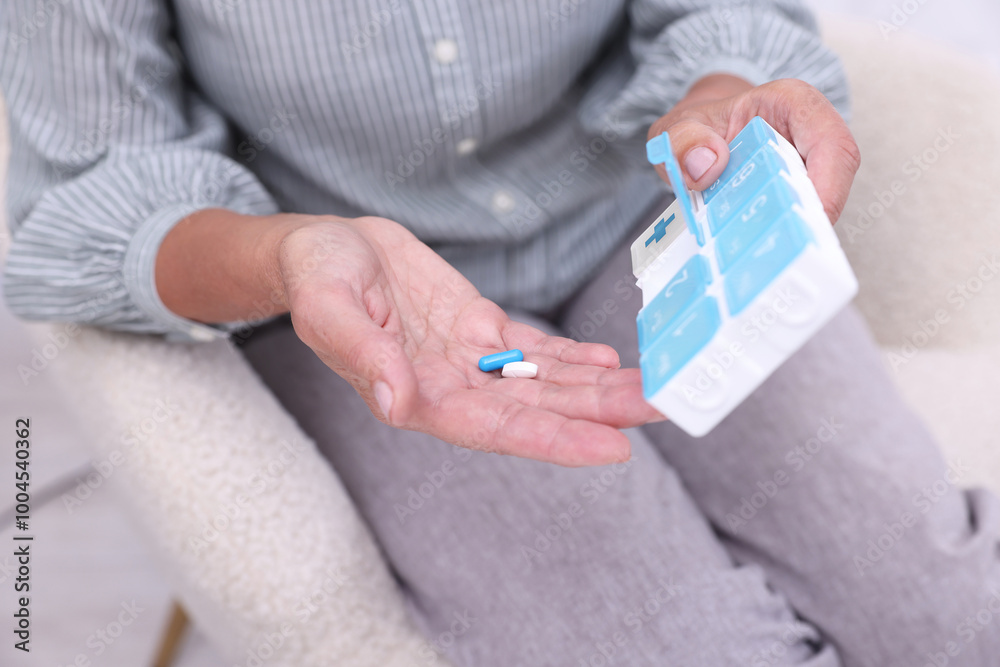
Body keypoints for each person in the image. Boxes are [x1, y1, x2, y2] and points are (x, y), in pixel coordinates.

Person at [3, 1, 999, 664]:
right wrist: (293, 258)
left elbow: (715, 14)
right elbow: (97, 190)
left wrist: (718, 100)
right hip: (370, 300)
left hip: (648, 220)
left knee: (946, 614)